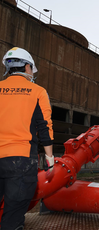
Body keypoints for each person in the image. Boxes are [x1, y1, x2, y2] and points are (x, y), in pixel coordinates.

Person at [0, 47, 54, 230]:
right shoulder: (37, 91)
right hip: (21, 162)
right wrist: (50, 159)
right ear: (26, 67)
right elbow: (45, 127)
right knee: (13, 216)